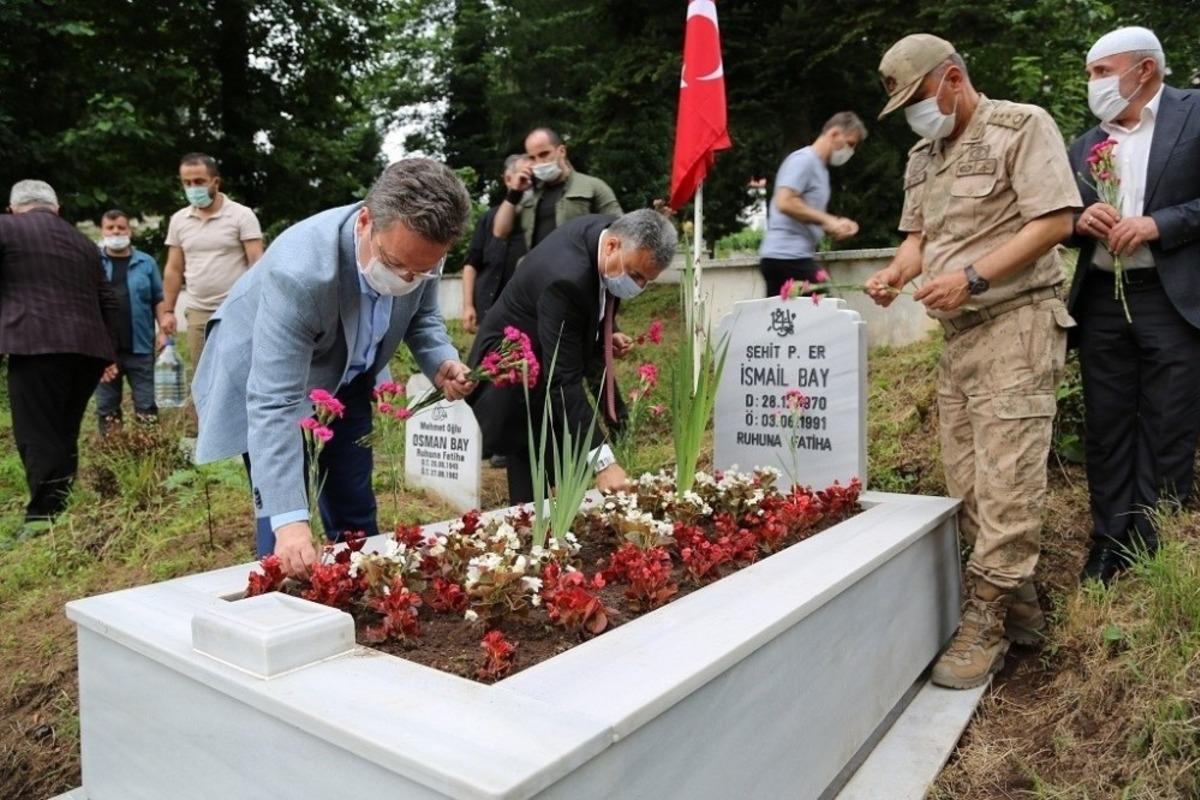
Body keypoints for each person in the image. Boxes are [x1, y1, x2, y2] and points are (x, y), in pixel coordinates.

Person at [866, 35, 1081, 689]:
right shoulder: (922, 157)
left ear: (953, 78)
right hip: (959, 339)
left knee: (1009, 477)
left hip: (1017, 324)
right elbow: (916, 242)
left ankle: (983, 620)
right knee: (968, 483)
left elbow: (1055, 221)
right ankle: (1021, 606)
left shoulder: (1022, 127)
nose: (914, 113)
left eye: (917, 97)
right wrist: (895, 275)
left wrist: (973, 278)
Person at [193, 158, 475, 579]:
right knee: (285, 532)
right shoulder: (301, 273)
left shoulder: (419, 250)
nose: (407, 278)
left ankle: (359, 593)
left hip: (347, 373)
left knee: (354, 504)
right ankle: (282, 607)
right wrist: (290, 521)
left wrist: (439, 359)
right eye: (396, 265)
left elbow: (422, 317)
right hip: (269, 373)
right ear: (365, 222)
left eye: (422, 271)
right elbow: (275, 401)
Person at [1065, 27, 1200, 585]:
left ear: (1143, 70)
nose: (1093, 85)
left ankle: (1157, 543)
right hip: (1102, 302)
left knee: (1169, 424)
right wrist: (1078, 223)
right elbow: (1058, 217)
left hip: (1174, 301)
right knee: (1108, 424)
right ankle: (1109, 543)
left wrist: (1158, 224)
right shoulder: (1081, 143)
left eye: (1101, 72)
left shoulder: (1195, 114)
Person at [468, 209, 677, 504]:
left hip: (548, 356)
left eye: (647, 281)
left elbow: (596, 303)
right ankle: (534, 535)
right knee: (534, 473)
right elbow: (561, 378)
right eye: (635, 276)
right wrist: (603, 463)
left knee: (566, 467)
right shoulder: (566, 279)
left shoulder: (608, 234)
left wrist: (604, 331)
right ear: (612, 246)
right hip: (513, 374)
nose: (638, 287)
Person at [0, 180, 119, 536]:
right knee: (63, 430)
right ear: (57, 209)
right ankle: (59, 505)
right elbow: (109, 299)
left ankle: (42, 517)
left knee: (36, 431)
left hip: (34, 342)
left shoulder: (6, 227)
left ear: (13, 207)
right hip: (88, 349)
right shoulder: (83, 242)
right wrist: (110, 353)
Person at [161, 153, 264, 371]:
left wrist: (257, 304)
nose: (192, 187)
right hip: (198, 311)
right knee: (203, 375)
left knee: (239, 372)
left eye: (198, 181)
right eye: (186, 183)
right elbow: (173, 268)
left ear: (215, 182)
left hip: (236, 309)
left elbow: (258, 263)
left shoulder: (241, 215)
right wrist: (168, 311)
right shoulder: (179, 220)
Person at [759, 112, 866, 297]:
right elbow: (784, 202)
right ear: (834, 134)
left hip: (789, 256)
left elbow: (803, 214)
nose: (850, 151)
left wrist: (835, 226)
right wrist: (829, 220)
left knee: (790, 323)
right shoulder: (803, 160)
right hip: (787, 256)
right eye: (850, 144)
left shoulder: (820, 169)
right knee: (825, 313)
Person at [94, 209, 170, 433]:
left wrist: (164, 331)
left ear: (130, 230)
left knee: (146, 405)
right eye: (110, 228)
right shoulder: (93, 261)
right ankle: (112, 451)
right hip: (105, 350)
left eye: (121, 227)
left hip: (140, 347)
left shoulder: (146, 263)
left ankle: (149, 450)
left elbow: (158, 298)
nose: (116, 232)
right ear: (103, 231)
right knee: (107, 406)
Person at [491, 127, 622, 249]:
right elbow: (500, 231)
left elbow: (621, 229)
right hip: (538, 269)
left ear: (562, 151)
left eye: (544, 154)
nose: (539, 162)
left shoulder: (592, 186)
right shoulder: (530, 194)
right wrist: (514, 192)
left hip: (579, 268)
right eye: (532, 157)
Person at [461, 155, 531, 334]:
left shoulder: (538, 220)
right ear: (507, 180)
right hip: (488, 312)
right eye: (520, 177)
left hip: (523, 313)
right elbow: (471, 264)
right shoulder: (488, 218)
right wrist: (468, 306)